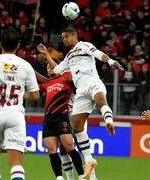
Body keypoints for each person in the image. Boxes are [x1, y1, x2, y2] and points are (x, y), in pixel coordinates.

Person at [37, 28, 123, 179]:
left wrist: (110, 61)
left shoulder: (84, 45)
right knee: (77, 127)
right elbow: (57, 69)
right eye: (62, 37)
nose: (64, 40)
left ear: (74, 36)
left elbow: (98, 54)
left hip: (92, 82)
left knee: (100, 99)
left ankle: (109, 120)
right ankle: (89, 162)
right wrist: (47, 55)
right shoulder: (69, 56)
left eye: (66, 37)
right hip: (81, 92)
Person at [0, 30, 40, 180]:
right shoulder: (25, 65)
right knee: (16, 164)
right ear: (18, 46)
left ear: (0, 44)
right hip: (15, 115)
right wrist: (19, 93)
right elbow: (35, 96)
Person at [36, 66, 84, 180]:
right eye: (47, 68)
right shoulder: (47, 83)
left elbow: (79, 81)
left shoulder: (65, 79)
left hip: (61, 116)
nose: (49, 69)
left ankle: (82, 176)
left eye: (52, 67)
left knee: (69, 147)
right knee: (51, 150)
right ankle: (59, 177)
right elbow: (37, 81)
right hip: (48, 119)